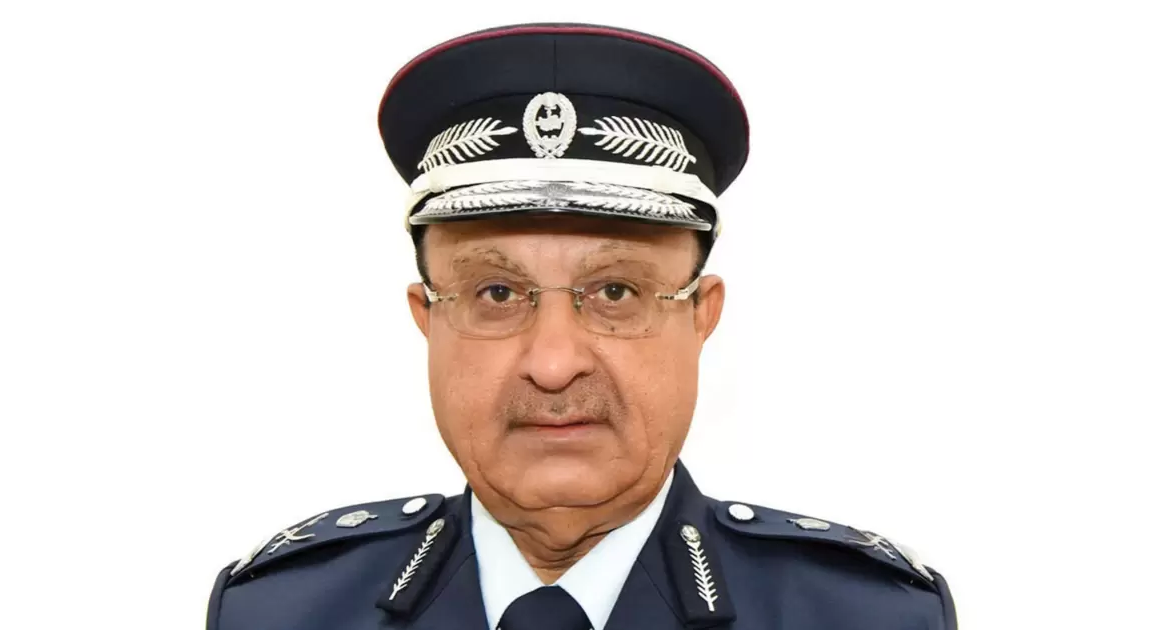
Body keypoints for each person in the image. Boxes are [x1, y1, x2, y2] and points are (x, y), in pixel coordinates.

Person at [206, 23, 957, 630]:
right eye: (497, 292)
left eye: (616, 291)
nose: (555, 362)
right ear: (426, 320)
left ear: (702, 316)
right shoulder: (280, 614)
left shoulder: (866, 618)